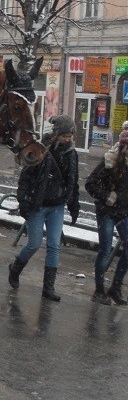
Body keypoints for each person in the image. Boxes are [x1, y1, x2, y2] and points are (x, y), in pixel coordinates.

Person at [9, 114, 80, 302]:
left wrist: (74, 206)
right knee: (34, 243)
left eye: (70, 136)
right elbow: (25, 178)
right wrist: (23, 201)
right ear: (56, 134)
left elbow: (74, 183)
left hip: (57, 206)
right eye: (65, 135)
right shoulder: (42, 151)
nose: (68, 139)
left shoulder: (72, 154)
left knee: (54, 246)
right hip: (38, 206)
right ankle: (15, 269)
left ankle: (48, 288)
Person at [85, 128, 128, 305]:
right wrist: (108, 196)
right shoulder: (110, 161)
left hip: (124, 212)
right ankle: (99, 290)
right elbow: (91, 183)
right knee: (105, 250)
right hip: (107, 211)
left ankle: (115, 287)